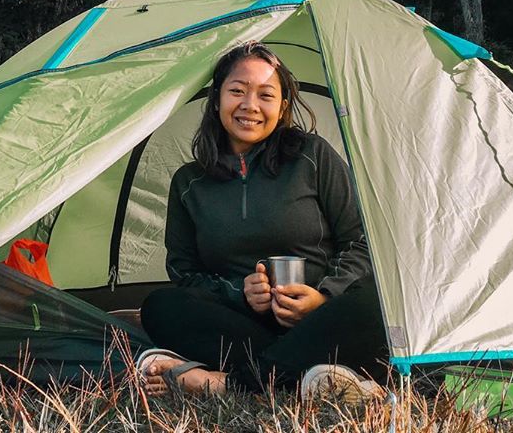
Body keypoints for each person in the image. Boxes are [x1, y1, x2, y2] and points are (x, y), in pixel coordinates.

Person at [138, 41, 388, 399]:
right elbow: (184, 273)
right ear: (217, 99)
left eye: (265, 95)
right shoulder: (189, 182)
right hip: (245, 326)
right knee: (161, 307)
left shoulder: (312, 156)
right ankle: (312, 378)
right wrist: (241, 293)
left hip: (325, 318)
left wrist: (322, 298)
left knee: (378, 304)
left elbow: (363, 240)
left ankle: (227, 383)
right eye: (237, 91)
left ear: (283, 105)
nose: (249, 106)